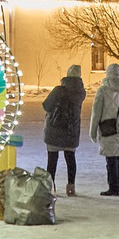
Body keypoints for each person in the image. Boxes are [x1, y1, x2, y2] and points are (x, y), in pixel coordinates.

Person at [41, 65, 87, 193]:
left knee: (52, 160)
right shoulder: (81, 92)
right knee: (70, 158)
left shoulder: (58, 90)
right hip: (71, 130)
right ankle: (71, 186)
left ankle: (51, 187)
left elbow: (46, 105)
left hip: (55, 128)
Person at [91, 63, 119, 195]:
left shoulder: (103, 90)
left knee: (111, 159)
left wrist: (93, 131)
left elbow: (96, 112)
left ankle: (113, 188)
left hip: (108, 128)